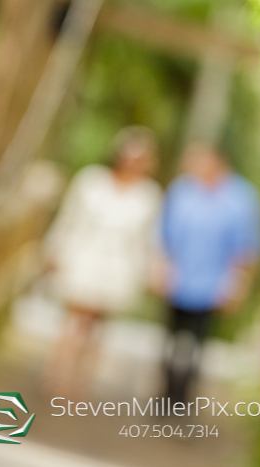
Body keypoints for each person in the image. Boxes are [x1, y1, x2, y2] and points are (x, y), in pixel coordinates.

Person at [43, 126, 162, 397]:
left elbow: (149, 239)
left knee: (97, 328)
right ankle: (56, 376)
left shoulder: (149, 195)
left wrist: (151, 270)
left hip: (118, 267)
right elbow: (68, 219)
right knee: (73, 320)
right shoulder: (91, 181)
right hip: (83, 256)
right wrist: (54, 251)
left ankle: (80, 383)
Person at [157, 142, 260, 403]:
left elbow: (246, 248)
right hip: (178, 280)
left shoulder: (241, 198)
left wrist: (236, 286)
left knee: (196, 347)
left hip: (212, 286)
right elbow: (164, 235)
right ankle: (164, 396)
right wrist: (160, 268)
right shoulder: (182, 190)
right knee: (169, 343)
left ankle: (183, 400)